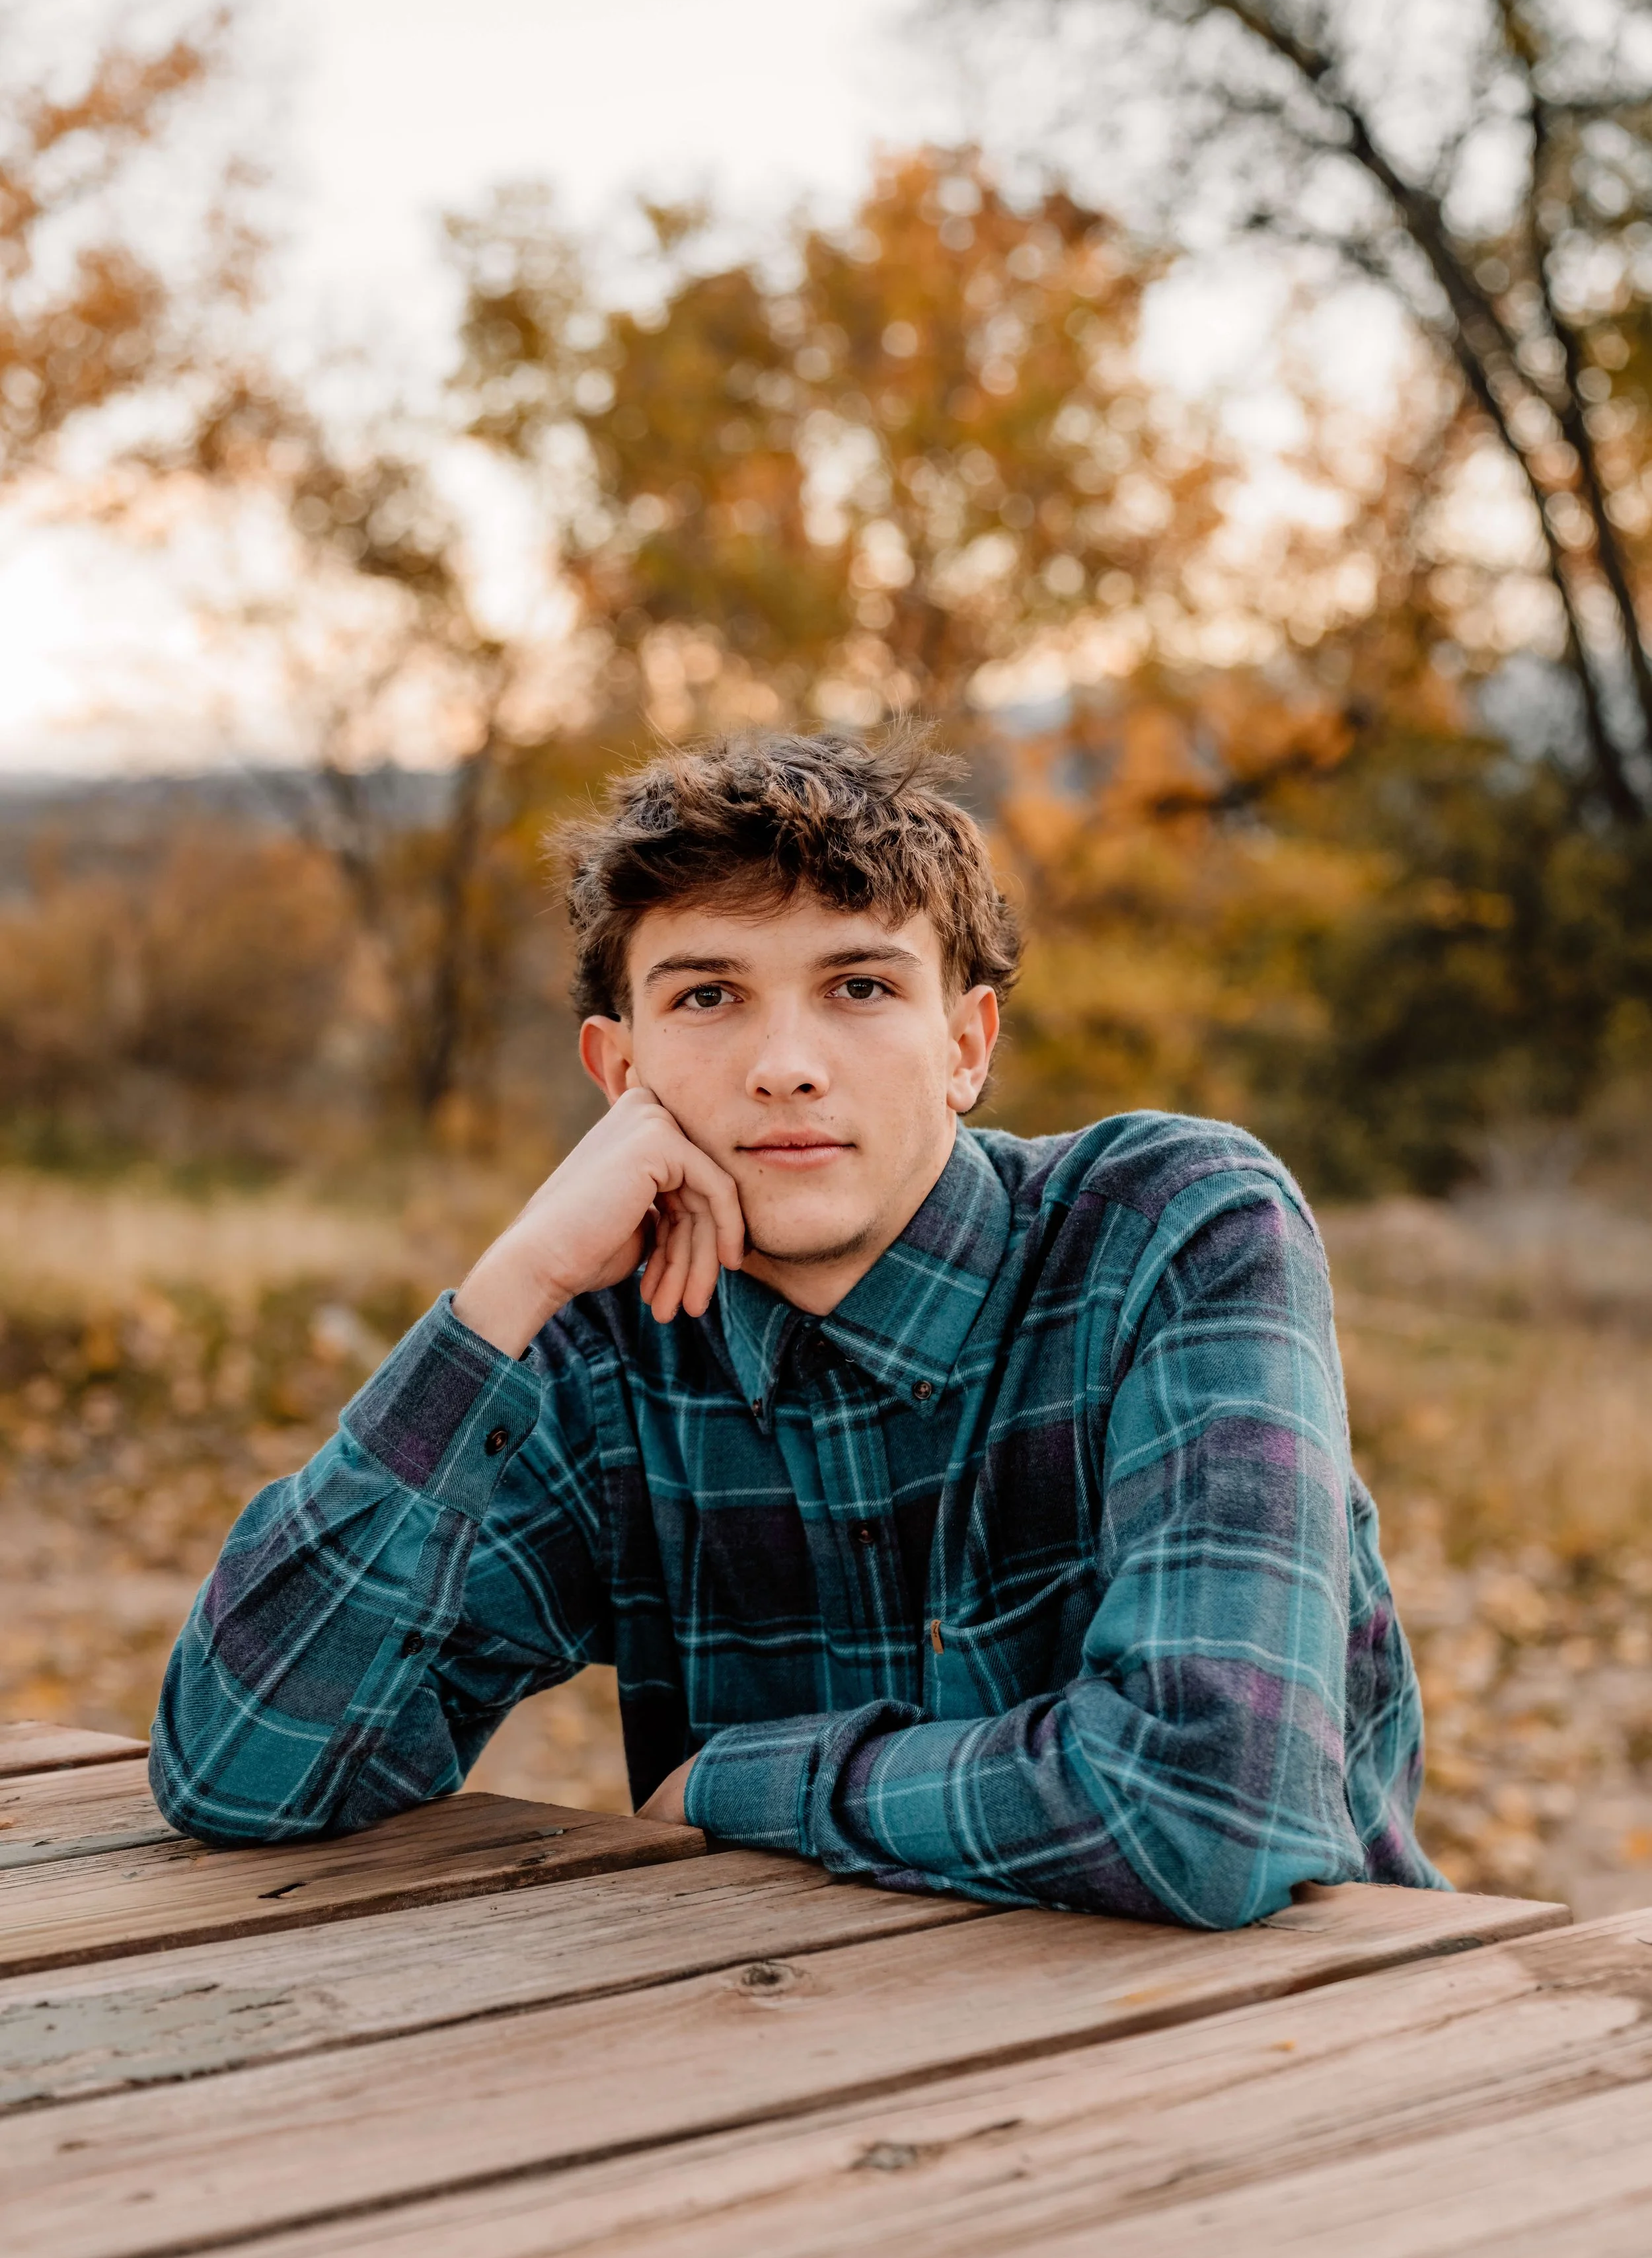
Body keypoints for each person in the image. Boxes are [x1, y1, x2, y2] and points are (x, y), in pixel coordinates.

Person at [149, 728, 1443, 1926]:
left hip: (1301, 2067)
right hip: (798, 2079)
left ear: (964, 1045)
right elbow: (239, 1769)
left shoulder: (1171, 1232)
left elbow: (1208, 1811)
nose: (785, 1064)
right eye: (707, 997)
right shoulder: (604, 1351)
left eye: (860, 987)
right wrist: (512, 1285)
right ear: (619, 1072)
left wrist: (737, 1784)